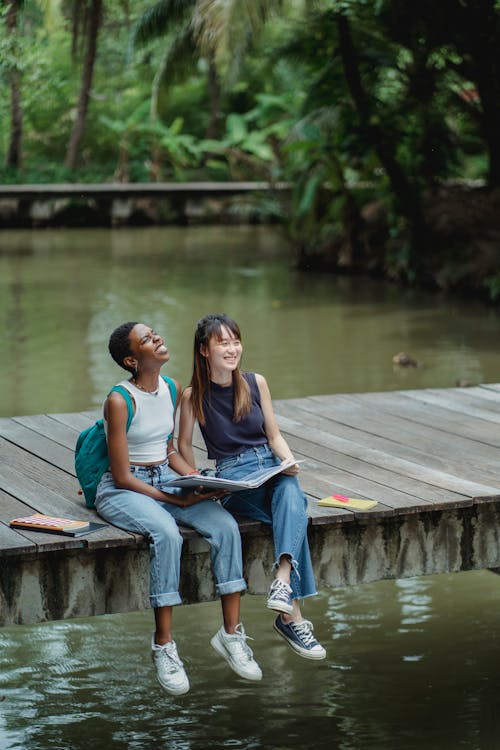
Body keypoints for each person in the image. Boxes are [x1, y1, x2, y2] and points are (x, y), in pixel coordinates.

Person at [94, 321, 262, 696]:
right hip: (125, 488)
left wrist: (196, 479)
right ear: (131, 359)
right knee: (167, 533)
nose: (158, 339)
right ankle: (164, 646)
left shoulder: (172, 389)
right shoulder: (119, 400)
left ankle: (232, 635)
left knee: (225, 526)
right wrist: (175, 500)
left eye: (156, 333)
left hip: (165, 478)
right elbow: (121, 476)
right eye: (148, 340)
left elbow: (168, 449)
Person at [178, 313, 326, 661]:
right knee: (296, 507)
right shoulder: (191, 396)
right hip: (233, 479)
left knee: (291, 490)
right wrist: (198, 479)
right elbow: (183, 445)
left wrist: (288, 462)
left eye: (235, 341)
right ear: (204, 350)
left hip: (269, 467)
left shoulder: (255, 382)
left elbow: (273, 435)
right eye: (223, 343)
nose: (232, 349)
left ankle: (283, 580)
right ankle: (291, 617)